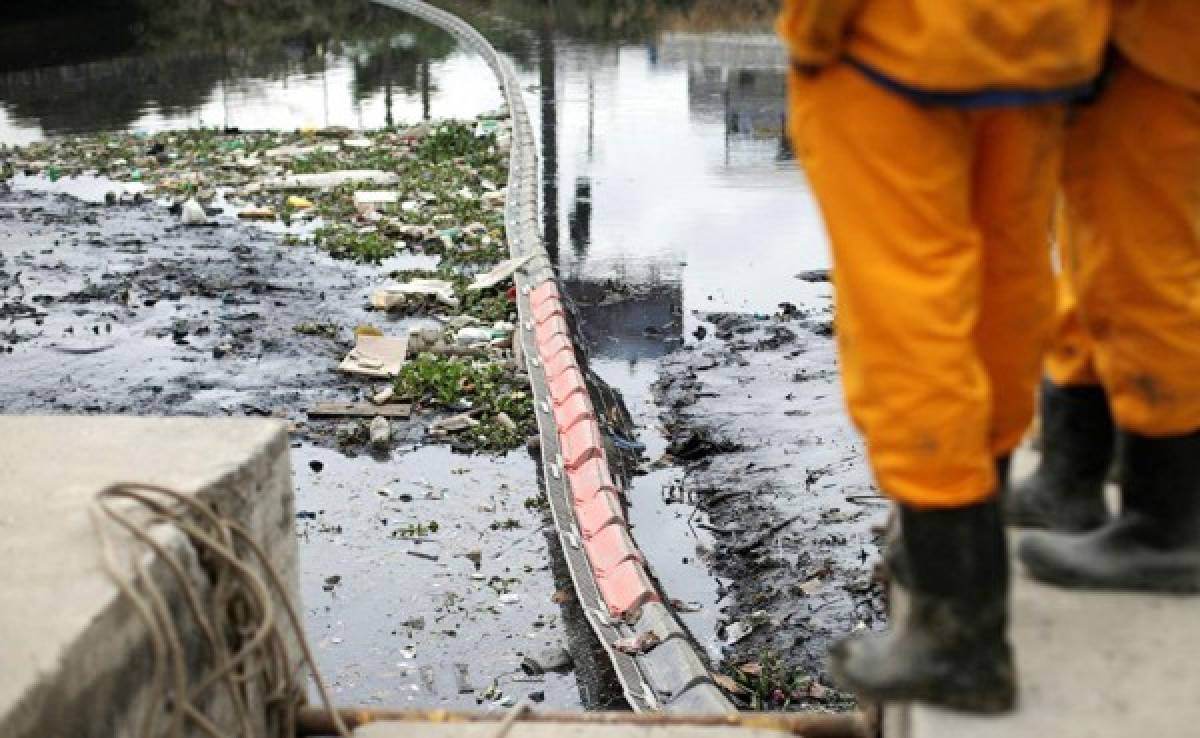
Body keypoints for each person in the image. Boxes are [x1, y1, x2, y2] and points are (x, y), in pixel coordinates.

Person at [777, 0, 1110, 712]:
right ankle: (963, 561)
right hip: (1044, 44)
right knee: (1007, 299)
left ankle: (954, 632)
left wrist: (812, 31)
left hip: (902, 50)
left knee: (907, 323)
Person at [1018, 0, 1200, 591]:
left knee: (1143, 277)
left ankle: (1170, 526)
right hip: (1125, 40)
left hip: (1148, 40)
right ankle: (1072, 475)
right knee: (1092, 258)